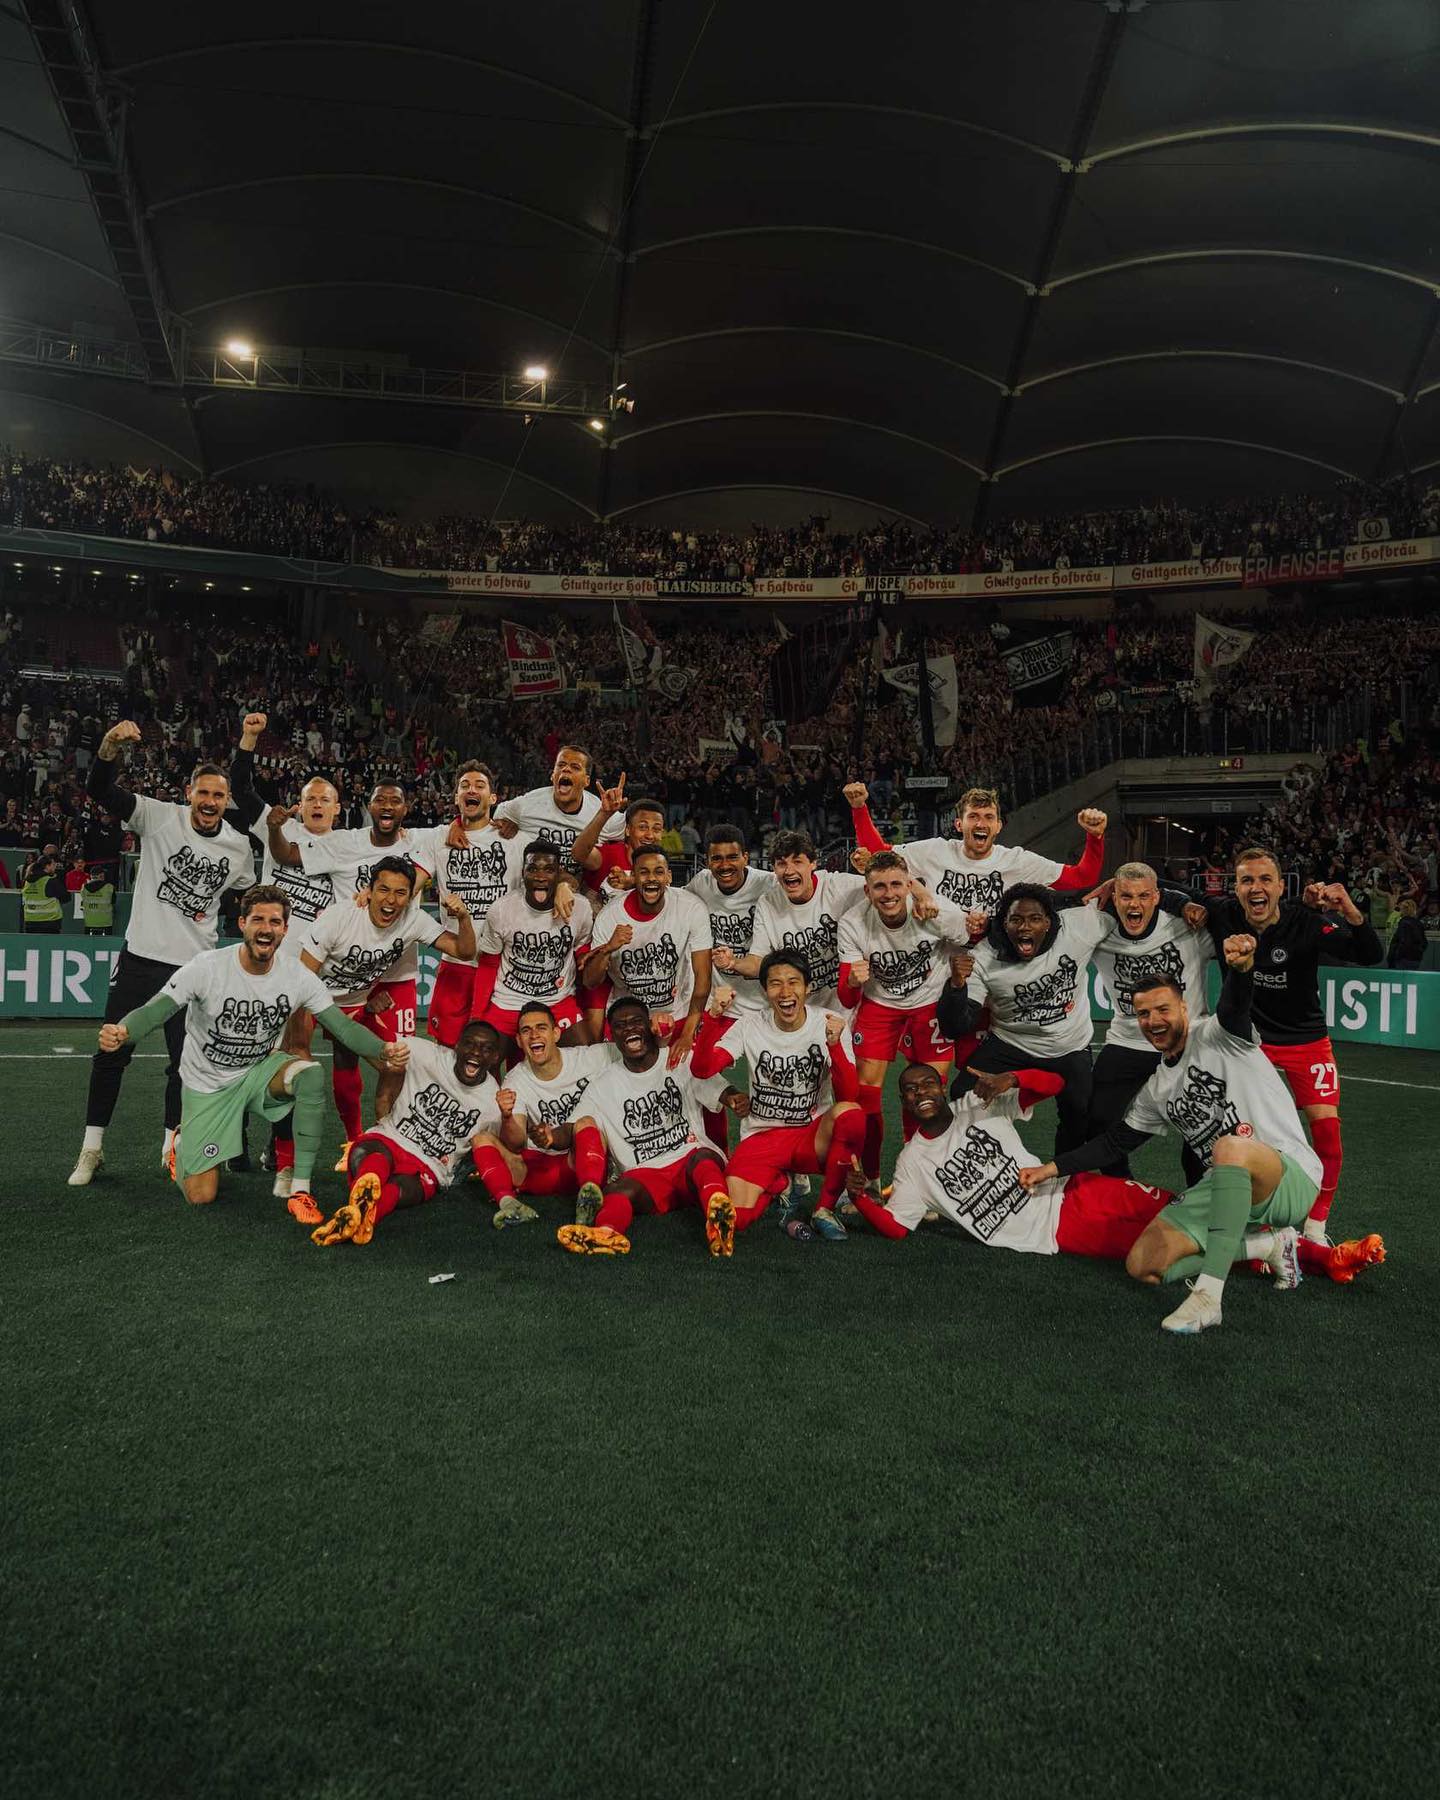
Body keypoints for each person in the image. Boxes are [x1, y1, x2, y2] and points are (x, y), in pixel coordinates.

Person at [1020, 942, 1385, 1335]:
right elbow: (1114, 1143)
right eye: (1143, 1014)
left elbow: (1235, 1006)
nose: (1153, 1020)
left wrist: (1242, 969)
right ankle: (1269, 1247)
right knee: (1142, 1265)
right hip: (1225, 1187)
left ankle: (1209, 1298)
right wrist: (1051, 1168)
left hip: (1287, 1177)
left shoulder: (1219, 1035)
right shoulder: (1157, 1088)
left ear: (1184, 1008)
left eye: (1162, 1010)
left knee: (1228, 1146)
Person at [97, 884, 407, 1221]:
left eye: (275, 922)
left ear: (285, 930)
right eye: (258, 919)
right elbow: (157, 1009)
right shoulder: (207, 967)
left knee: (309, 1072)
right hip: (209, 1085)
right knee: (201, 1196)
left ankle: (300, 1190)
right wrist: (125, 1031)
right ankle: (183, 1146)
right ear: (242, 923)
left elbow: (343, 1028)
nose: (266, 928)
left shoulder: (297, 977)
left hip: (260, 1072)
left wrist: (383, 1049)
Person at [68, 713, 266, 1188]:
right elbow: (101, 789)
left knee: (184, 1064)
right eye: (204, 793)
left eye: (219, 795)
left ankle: (171, 1148)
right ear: (188, 795)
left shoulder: (239, 848)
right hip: (140, 959)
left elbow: (244, 898)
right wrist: (110, 744)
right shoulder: (159, 817)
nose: (211, 802)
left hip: (195, 968)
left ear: (226, 801)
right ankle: (91, 1149)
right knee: (111, 1052)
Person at [1187, 847, 1382, 1240]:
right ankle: (1259, 1223)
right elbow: (1168, 890)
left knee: (1326, 1133)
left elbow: (1369, 953)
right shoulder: (1223, 914)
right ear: (1235, 888)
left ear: (1280, 886)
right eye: (1246, 880)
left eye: (1264, 880)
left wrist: (1350, 911)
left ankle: (1315, 1224)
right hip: (1250, 1045)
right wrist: (1182, 902)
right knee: (1245, 1135)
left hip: (1307, 1041)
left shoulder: (1306, 921)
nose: (1255, 888)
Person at [843, 1063, 1177, 1261]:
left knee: (1175, 1207)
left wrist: (1013, 1078)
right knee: (1161, 1246)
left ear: (942, 1086)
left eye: (928, 1083)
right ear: (903, 1101)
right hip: (1054, 1230)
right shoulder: (911, 1162)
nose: (921, 1092)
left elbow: (1056, 1084)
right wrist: (859, 1197)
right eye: (911, 1090)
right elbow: (897, 1227)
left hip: (1069, 1186)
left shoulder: (979, 1103)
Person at [296, 857, 475, 1159]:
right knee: (296, 1069)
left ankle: (383, 1136)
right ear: (369, 890)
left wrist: (464, 918)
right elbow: (302, 980)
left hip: (353, 1004)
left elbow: (465, 950)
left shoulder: (414, 920)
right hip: (310, 999)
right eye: (383, 890)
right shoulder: (340, 917)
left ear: (411, 895)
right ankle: (289, 1154)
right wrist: (302, 1037)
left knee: (395, 1065)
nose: (390, 900)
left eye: (400, 893)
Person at [690, 951, 864, 1248]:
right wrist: (713, 1016)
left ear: (807, 987)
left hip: (811, 1135)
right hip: (763, 1135)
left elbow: (848, 1096)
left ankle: (823, 1209)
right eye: (775, 984)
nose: (785, 992)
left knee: (850, 1114)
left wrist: (834, 1046)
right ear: (765, 990)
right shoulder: (750, 1024)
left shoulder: (828, 1022)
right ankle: (780, 1183)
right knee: (737, 1218)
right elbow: (702, 1069)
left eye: (793, 982)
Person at [938, 883, 1115, 1155]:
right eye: (1016, 919)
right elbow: (955, 1027)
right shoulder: (984, 956)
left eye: (1035, 919)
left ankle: (1063, 1177)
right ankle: (986, 1164)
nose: (1024, 927)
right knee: (963, 1094)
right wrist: (957, 985)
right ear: (1004, 923)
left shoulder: (1080, 927)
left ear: (1049, 922)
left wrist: (1118, 884)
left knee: (1080, 1115)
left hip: (1069, 1045)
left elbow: (1137, 898)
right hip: (1011, 1043)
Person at [836, 849, 976, 1177]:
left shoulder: (935, 910)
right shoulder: (853, 923)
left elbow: (968, 939)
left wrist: (937, 911)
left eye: (896, 885)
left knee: (927, 1096)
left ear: (908, 884)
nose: (889, 894)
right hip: (880, 1006)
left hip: (929, 1003)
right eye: (880, 887)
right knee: (866, 1099)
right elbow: (845, 996)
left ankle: (918, 1179)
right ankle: (870, 1177)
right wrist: (853, 982)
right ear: (867, 891)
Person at [556, 998, 731, 1257]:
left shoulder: (677, 1057)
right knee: (619, 1190)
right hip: (647, 1174)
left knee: (703, 1159)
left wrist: (734, 1097)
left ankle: (719, 1218)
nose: (629, 1029)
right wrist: (549, 1135)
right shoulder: (602, 1084)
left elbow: (719, 1090)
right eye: (620, 1026)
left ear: (649, 1026)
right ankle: (606, 1233)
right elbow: (573, 1127)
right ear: (611, 1034)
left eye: (636, 1022)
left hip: (689, 1158)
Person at [312, 1019, 505, 1246]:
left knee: (404, 1186)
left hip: (430, 1164)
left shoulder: (493, 1102)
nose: (475, 1052)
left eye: (486, 1048)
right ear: (457, 1045)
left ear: (495, 1058)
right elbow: (379, 1040)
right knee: (368, 1153)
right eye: (469, 1044)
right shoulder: (424, 1053)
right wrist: (365, 1013)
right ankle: (368, 1213)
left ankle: (358, 1209)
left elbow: (487, 1148)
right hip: (390, 1137)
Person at [1086, 862, 1214, 1177]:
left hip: (1188, 1043)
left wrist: (1182, 900)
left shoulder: (1187, 926)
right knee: (1098, 1120)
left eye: (1144, 895)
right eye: (1126, 896)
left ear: (1157, 897)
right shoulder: (1096, 929)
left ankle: (1198, 1203)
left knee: (1201, 1137)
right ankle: (1122, 1190)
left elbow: (1226, 913)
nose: (1135, 904)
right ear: (1113, 897)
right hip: (1128, 1040)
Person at [843, 780, 1107, 920]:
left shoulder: (1017, 860)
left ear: (999, 826)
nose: (981, 823)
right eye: (974, 816)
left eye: (989, 817)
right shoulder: (936, 851)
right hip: (941, 958)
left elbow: (1082, 878)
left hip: (992, 958)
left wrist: (1095, 837)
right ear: (959, 824)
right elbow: (880, 856)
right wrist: (859, 808)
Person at [411, 760, 528, 1046]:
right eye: (464, 786)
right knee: (447, 1051)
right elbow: (411, 884)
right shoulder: (438, 838)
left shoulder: (515, 838)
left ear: (493, 798)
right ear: (455, 798)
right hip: (456, 963)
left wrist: (563, 886)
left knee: (497, 1053)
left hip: (503, 965)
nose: (471, 790)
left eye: (479, 786)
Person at [473, 1001, 620, 1225]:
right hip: (535, 1170)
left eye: (541, 1027)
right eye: (526, 1030)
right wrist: (506, 1116)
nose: (533, 1035)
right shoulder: (515, 1079)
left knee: (587, 1122)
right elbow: (516, 1143)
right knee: (481, 1139)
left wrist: (661, 1036)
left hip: (578, 1161)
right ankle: (509, 1205)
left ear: (556, 1033)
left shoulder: (591, 1057)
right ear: (519, 1042)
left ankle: (589, 1197)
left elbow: (637, 1049)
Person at [582, 847, 713, 1059]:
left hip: (677, 1011)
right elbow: (590, 981)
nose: (651, 878)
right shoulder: (610, 916)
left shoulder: (690, 907)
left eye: (659, 871)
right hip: (629, 1017)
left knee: (688, 1074)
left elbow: (703, 979)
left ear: (669, 876)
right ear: (633, 876)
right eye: (643, 872)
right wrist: (608, 949)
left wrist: (688, 1034)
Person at [471, 841, 595, 1051]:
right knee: (483, 1053)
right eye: (532, 869)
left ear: (559, 874)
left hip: (558, 1000)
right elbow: (488, 965)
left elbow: (582, 956)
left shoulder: (580, 907)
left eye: (548, 870)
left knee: (585, 1052)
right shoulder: (502, 909)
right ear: (522, 872)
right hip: (509, 1001)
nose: (540, 876)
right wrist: (476, 1016)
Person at [732, 829, 870, 1012]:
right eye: (781, 864)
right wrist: (732, 963)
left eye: (797, 862)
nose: (789, 870)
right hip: (800, 1014)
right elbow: (758, 961)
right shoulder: (768, 903)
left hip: (846, 1009)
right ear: (773, 869)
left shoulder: (839, 887)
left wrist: (871, 868)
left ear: (813, 863)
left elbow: (887, 891)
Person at [265, 779, 419, 896]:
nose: (387, 806)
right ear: (369, 807)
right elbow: (286, 855)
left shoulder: (421, 841)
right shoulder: (344, 842)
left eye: (395, 801)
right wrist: (274, 830)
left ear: (405, 809)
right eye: (380, 800)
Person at [492, 743, 623, 856]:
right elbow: (495, 814)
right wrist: (506, 823)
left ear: (587, 781)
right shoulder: (527, 804)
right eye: (561, 765)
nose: (566, 769)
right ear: (553, 776)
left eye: (575, 767)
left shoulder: (602, 813)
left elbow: (636, 829)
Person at [570, 779, 664, 899]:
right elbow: (578, 854)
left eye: (656, 829)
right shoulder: (610, 853)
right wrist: (604, 813)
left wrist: (632, 881)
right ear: (628, 830)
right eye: (643, 827)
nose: (650, 835)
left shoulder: (661, 865)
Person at [21, 851, 65, 934]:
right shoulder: (50, 881)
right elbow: (66, 897)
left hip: (30, 922)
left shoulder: (27, 881)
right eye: (53, 865)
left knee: (33, 946)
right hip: (50, 923)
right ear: (47, 866)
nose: (55, 867)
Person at [1387, 898, 1427, 970]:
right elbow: (1424, 943)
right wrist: (1418, 953)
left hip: (1403, 959)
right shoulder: (1419, 923)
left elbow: (1403, 942)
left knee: (1399, 980)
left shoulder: (1403, 923)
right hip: (1415, 959)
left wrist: (1396, 956)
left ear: (1403, 910)